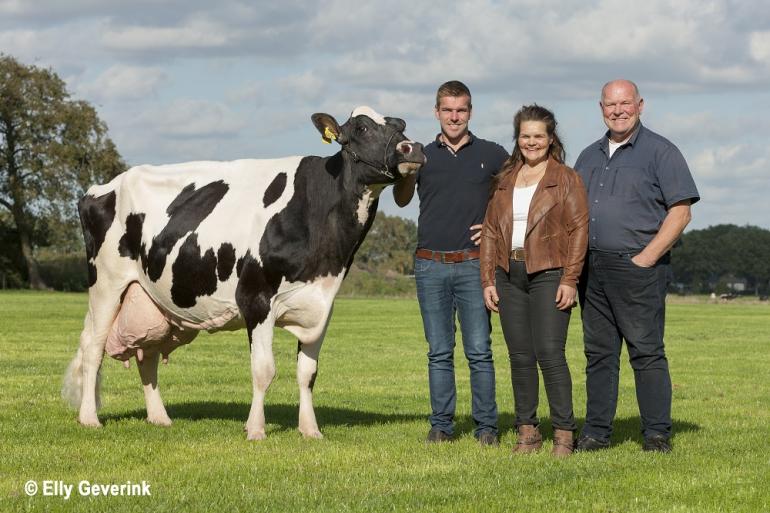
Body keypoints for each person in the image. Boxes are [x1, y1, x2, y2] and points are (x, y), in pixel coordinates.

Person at [573, 79, 700, 453]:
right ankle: (596, 433)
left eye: (625, 103)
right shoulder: (588, 155)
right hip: (592, 270)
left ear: (640, 105)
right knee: (599, 354)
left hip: (638, 269)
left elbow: (681, 213)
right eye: (611, 105)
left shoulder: (662, 151)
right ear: (601, 109)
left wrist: (646, 258)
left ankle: (657, 434)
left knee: (645, 351)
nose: (618, 110)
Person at [394, 80, 508, 446]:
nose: (454, 116)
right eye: (448, 110)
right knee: (439, 352)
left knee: (479, 350)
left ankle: (487, 427)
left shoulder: (492, 154)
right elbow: (399, 200)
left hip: (475, 264)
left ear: (470, 112)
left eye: (461, 110)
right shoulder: (422, 154)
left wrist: (495, 226)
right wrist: (406, 173)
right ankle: (441, 425)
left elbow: (516, 195)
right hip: (429, 264)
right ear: (437, 112)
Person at [479, 105, 588, 457]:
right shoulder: (505, 179)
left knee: (550, 354)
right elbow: (492, 232)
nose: (531, 142)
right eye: (525, 135)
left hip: (550, 274)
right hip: (509, 275)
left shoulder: (566, 178)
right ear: (517, 139)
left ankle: (564, 435)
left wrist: (570, 278)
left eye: (538, 135)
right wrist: (488, 280)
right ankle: (527, 433)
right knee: (520, 356)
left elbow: (578, 231)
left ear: (550, 138)